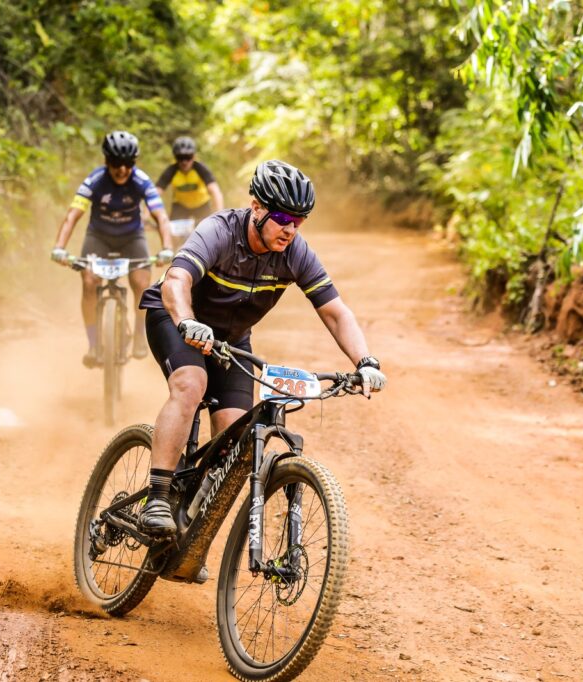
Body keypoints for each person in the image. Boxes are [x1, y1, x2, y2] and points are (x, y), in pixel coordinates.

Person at [136, 159, 386, 535]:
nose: (291, 229)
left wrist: (365, 361)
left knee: (235, 437)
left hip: (231, 340)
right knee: (191, 384)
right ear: (257, 207)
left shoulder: (295, 253)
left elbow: (335, 312)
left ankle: (190, 533)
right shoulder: (220, 231)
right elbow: (176, 280)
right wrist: (188, 321)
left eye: (299, 221)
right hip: (176, 318)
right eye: (284, 218)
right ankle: (157, 497)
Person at [51, 131, 173, 364]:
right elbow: (72, 215)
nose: (122, 170)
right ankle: (94, 345)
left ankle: (139, 336)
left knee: (140, 283)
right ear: (107, 161)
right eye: (116, 163)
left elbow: (161, 217)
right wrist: (59, 247)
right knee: (89, 283)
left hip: (131, 238)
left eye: (128, 164)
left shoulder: (141, 181)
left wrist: (167, 247)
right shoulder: (95, 181)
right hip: (99, 237)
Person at [155, 136, 224, 242]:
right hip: (181, 206)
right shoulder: (171, 171)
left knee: (209, 234)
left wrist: (220, 214)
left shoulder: (200, 168)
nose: (184, 162)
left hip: (202, 205)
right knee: (172, 234)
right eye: (180, 158)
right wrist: (146, 215)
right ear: (175, 158)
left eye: (188, 157)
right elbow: (155, 193)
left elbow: (215, 192)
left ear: (194, 156)